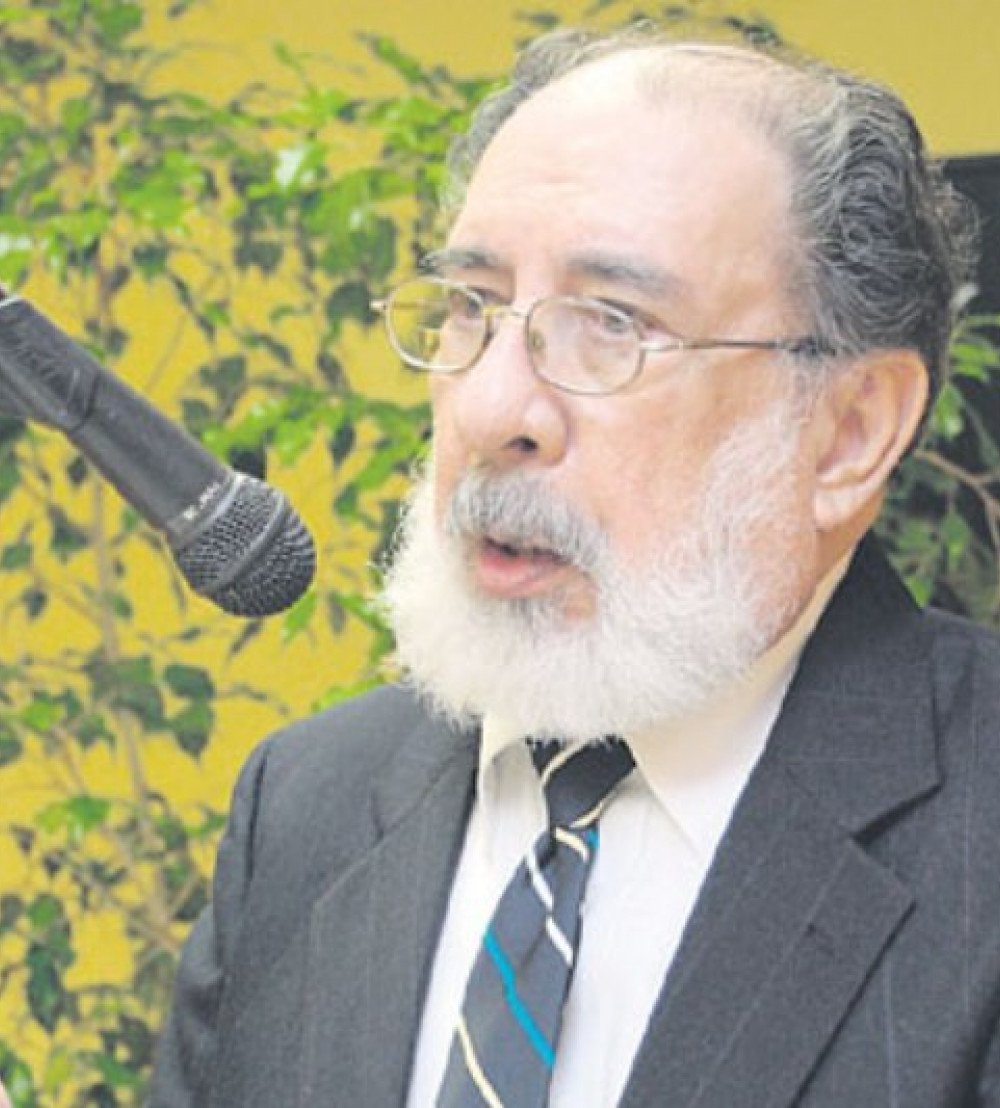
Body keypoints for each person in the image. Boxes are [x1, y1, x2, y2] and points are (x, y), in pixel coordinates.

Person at [150, 25, 1000, 1108]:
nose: (494, 406)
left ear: (846, 431)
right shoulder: (305, 802)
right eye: (472, 306)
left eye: (612, 322)